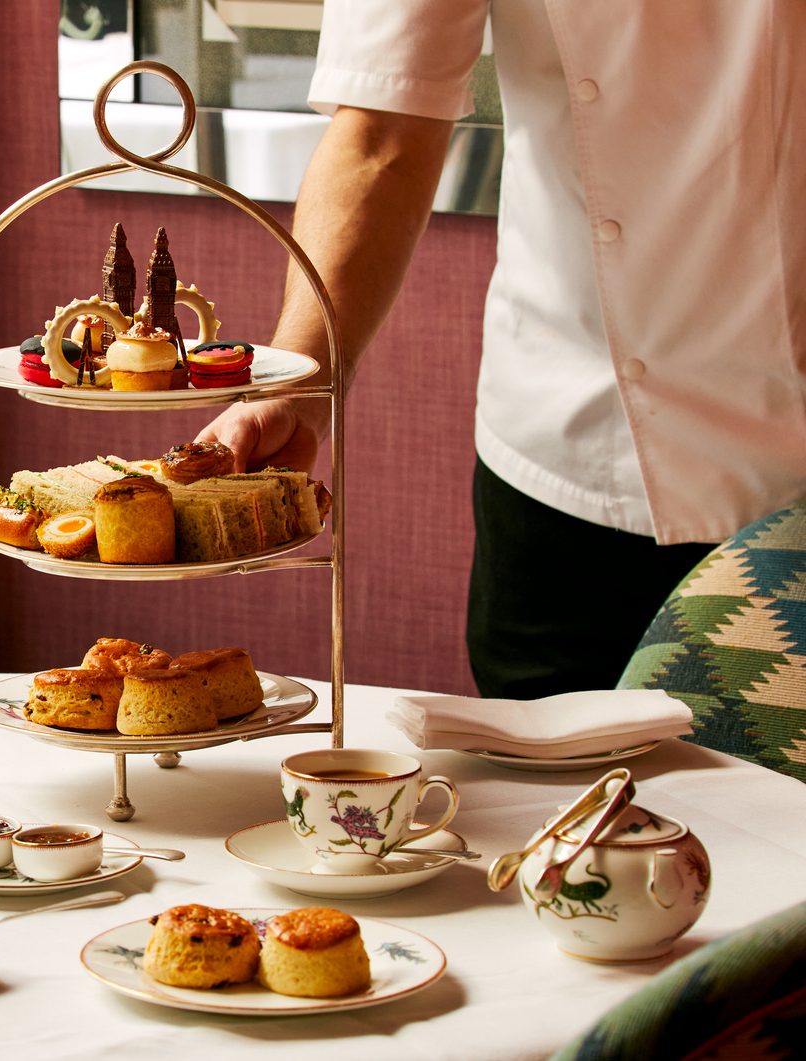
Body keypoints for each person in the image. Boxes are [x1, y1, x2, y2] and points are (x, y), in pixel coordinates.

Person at [197, 0, 806, 699]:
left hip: (793, 453)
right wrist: (296, 386)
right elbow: (382, 134)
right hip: (573, 455)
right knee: (554, 807)